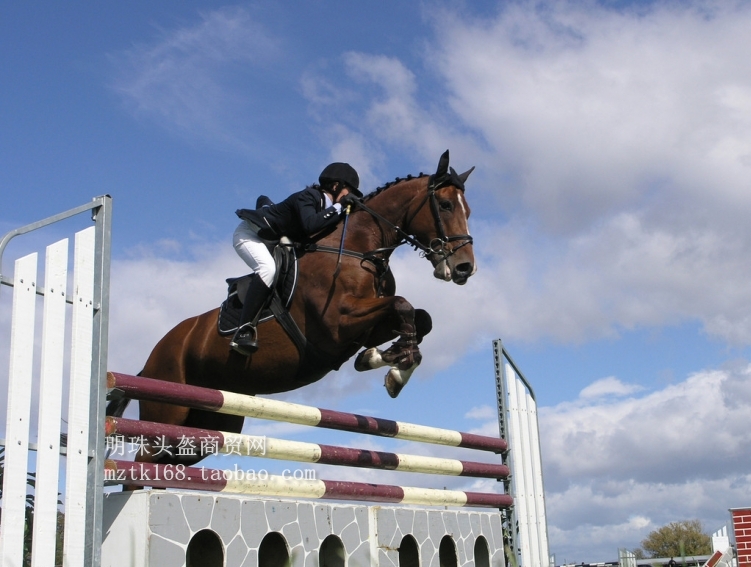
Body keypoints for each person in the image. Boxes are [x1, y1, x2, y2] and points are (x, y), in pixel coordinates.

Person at [230, 162, 362, 354]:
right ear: (335, 186)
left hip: (275, 240)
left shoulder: (330, 208)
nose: (349, 196)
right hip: (250, 235)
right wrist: (340, 206)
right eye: (348, 190)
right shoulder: (308, 196)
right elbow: (310, 225)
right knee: (267, 269)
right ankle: (243, 330)